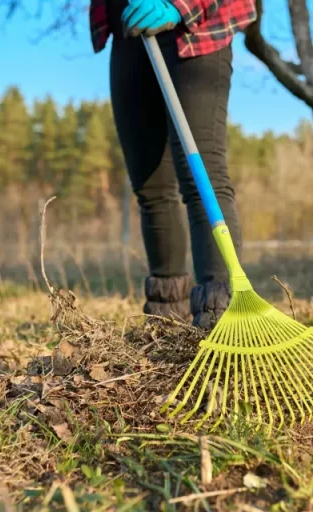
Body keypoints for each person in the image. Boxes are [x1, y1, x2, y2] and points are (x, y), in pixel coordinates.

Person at [88, 0, 256, 329]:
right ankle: (168, 322)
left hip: (193, 31)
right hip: (129, 27)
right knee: (151, 187)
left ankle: (222, 319)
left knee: (201, 176)